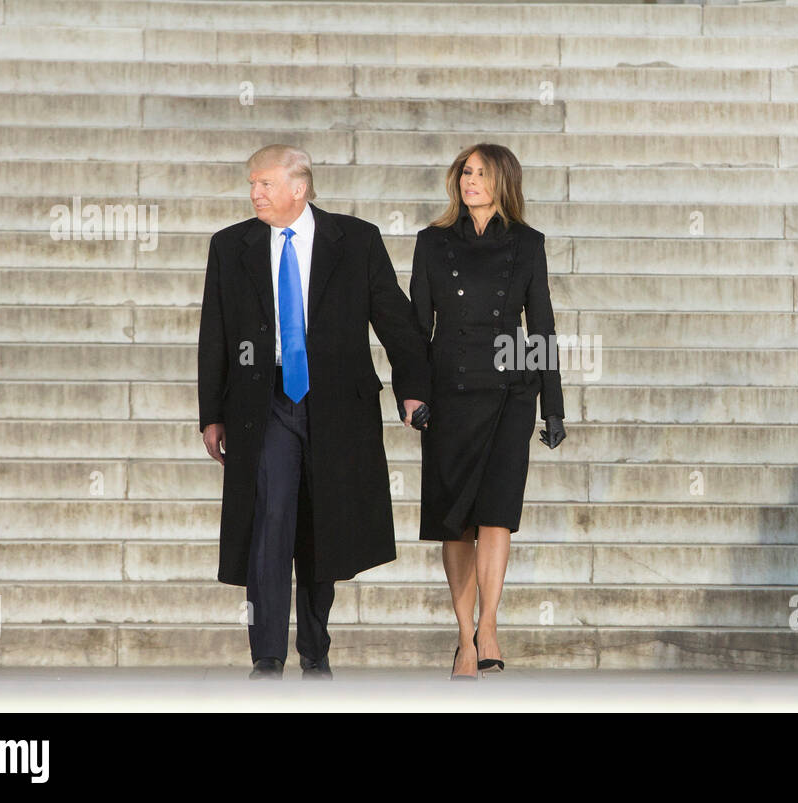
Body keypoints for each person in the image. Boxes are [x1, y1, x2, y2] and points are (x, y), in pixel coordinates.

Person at [197, 144, 431, 680]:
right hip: (266, 401)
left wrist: (412, 391)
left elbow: (395, 322)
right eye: (252, 184)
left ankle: (316, 649)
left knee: (323, 526)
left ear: (298, 188)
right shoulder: (230, 245)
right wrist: (212, 412)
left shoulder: (356, 240)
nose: (254, 193)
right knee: (270, 519)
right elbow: (215, 335)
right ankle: (267, 655)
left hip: (335, 406)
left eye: (265, 183)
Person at [409, 144, 567, 680]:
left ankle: (491, 624)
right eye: (465, 172)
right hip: (450, 395)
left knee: (497, 513)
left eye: (480, 173)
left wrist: (554, 407)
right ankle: (463, 638)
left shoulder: (527, 244)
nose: (470, 181)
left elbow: (541, 326)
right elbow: (415, 328)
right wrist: (413, 394)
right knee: (456, 521)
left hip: (509, 394)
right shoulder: (432, 243)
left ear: (504, 181)